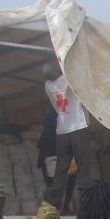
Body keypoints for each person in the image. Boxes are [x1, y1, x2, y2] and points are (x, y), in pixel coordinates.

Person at [42, 62, 92, 208]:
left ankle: (54, 205)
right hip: (78, 126)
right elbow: (78, 70)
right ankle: (86, 205)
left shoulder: (48, 86)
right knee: (83, 167)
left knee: (61, 170)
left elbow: (54, 105)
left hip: (62, 129)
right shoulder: (68, 79)